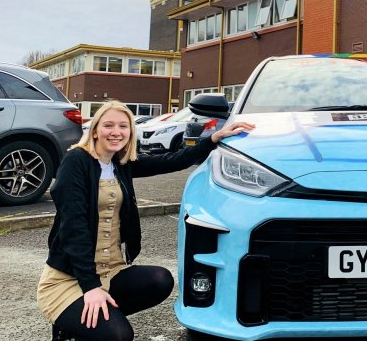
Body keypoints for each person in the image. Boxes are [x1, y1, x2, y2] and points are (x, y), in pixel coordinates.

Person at [37, 100, 254, 341]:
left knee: (160, 281)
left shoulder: (120, 163)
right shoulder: (76, 161)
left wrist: (213, 139)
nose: (116, 132)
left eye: (123, 126)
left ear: (130, 132)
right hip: (69, 278)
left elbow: (172, 160)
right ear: (95, 130)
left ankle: (86, 323)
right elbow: (73, 227)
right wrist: (90, 287)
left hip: (111, 271)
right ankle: (74, 324)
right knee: (119, 336)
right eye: (108, 125)